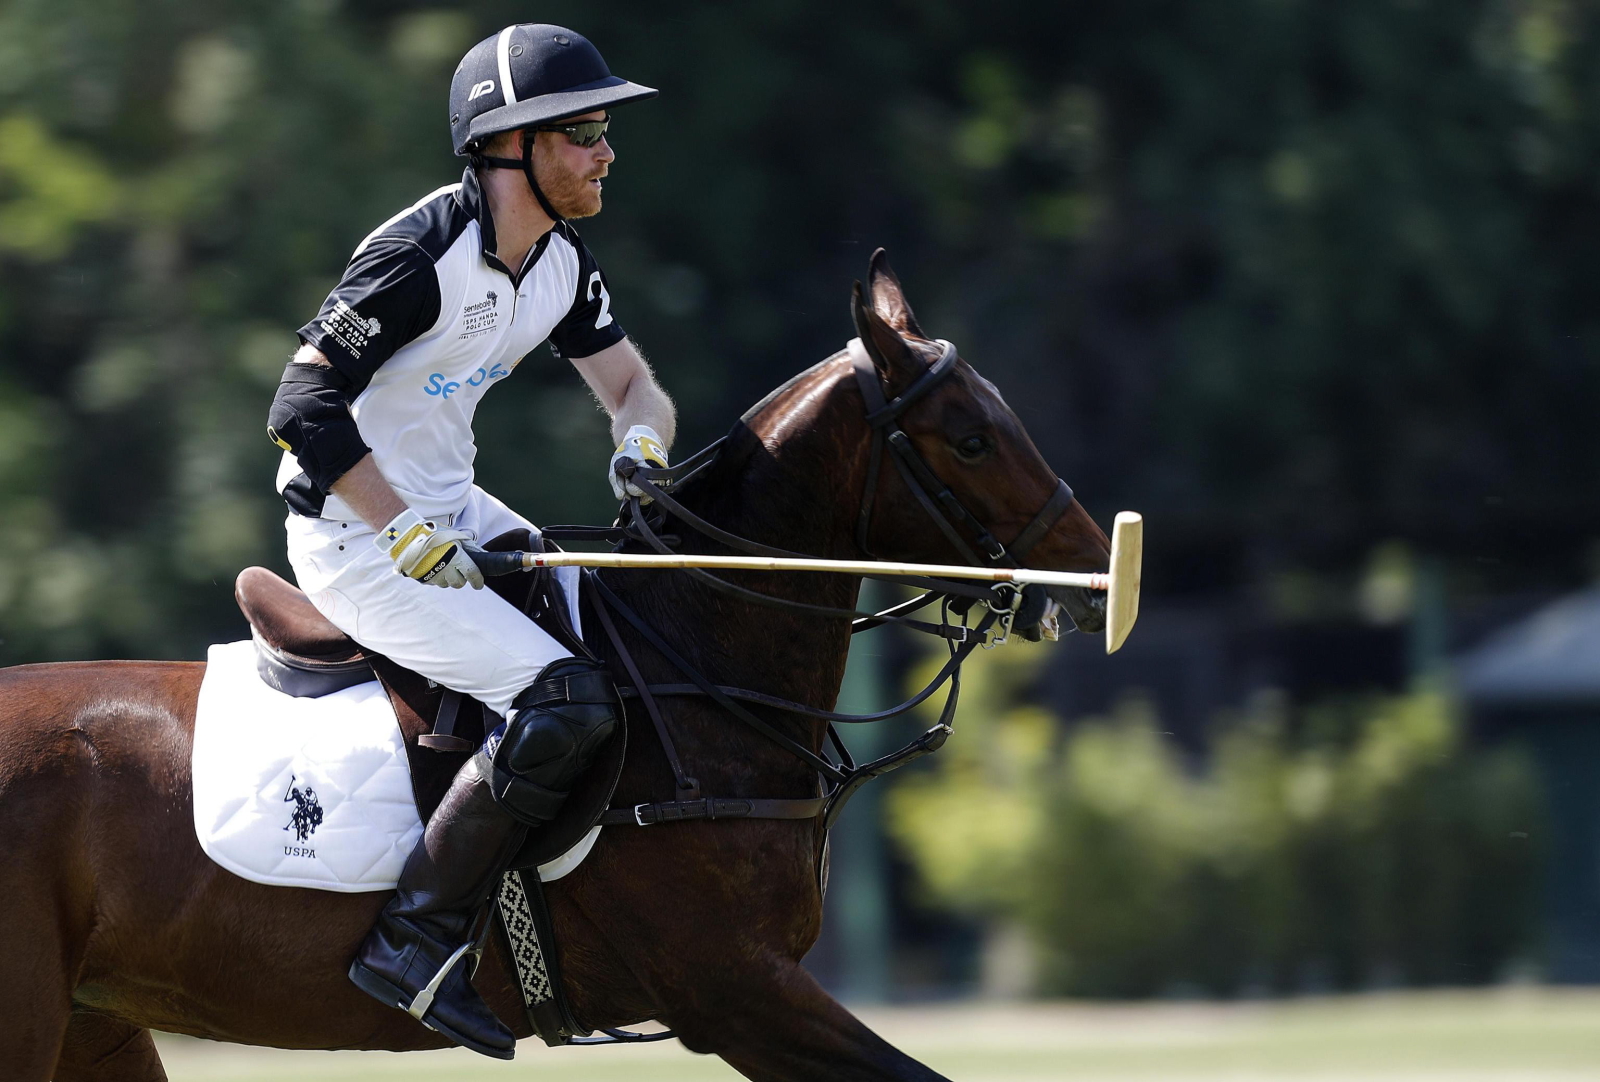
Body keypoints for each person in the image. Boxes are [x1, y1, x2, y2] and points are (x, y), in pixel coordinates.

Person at [265, 23, 672, 1059]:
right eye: (582, 131)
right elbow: (299, 402)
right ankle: (413, 939)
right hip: (354, 536)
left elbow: (633, 384)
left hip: (456, 510)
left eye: (604, 130)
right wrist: (400, 530)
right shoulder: (415, 255)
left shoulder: (561, 264)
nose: (606, 151)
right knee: (562, 697)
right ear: (509, 145)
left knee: (630, 630)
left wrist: (637, 446)